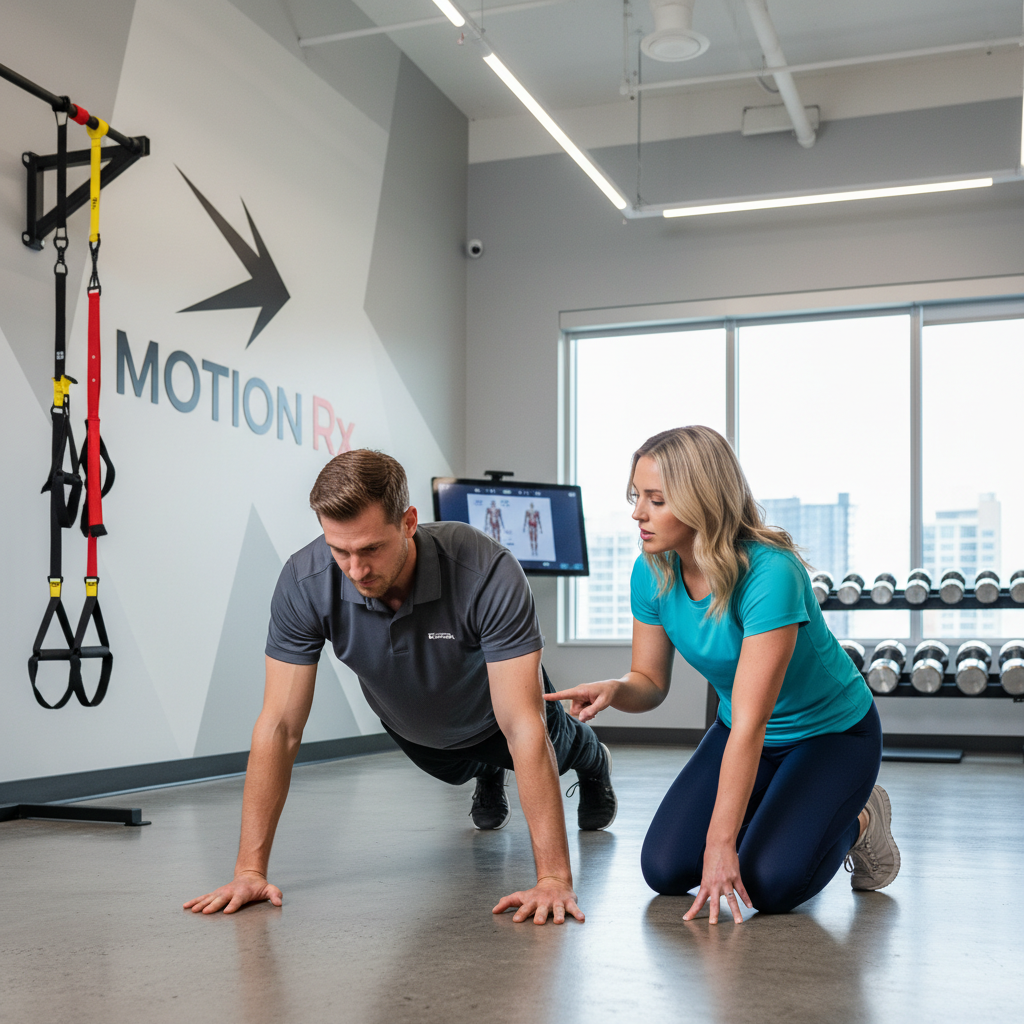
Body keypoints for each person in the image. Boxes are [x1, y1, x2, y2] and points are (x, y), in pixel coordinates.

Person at [184, 449, 616, 925]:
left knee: (551, 745)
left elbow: (523, 726)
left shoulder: (485, 569)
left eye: (371, 549)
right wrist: (249, 871)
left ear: (409, 522)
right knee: (455, 769)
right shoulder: (305, 581)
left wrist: (553, 879)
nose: (355, 569)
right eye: (339, 550)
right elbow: (280, 726)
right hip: (418, 727)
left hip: (499, 712)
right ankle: (487, 772)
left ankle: (593, 758)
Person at [547, 426, 898, 924]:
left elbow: (753, 724)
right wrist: (615, 689)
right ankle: (788, 815)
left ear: (702, 501)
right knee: (664, 868)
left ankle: (861, 818)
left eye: (656, 500)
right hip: (742, 732)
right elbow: (650, 681)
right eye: (636, 497)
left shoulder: (771, 573)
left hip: (832, 736)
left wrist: (721, 844)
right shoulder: (652, 570)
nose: (638, 513)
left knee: (768, 883)